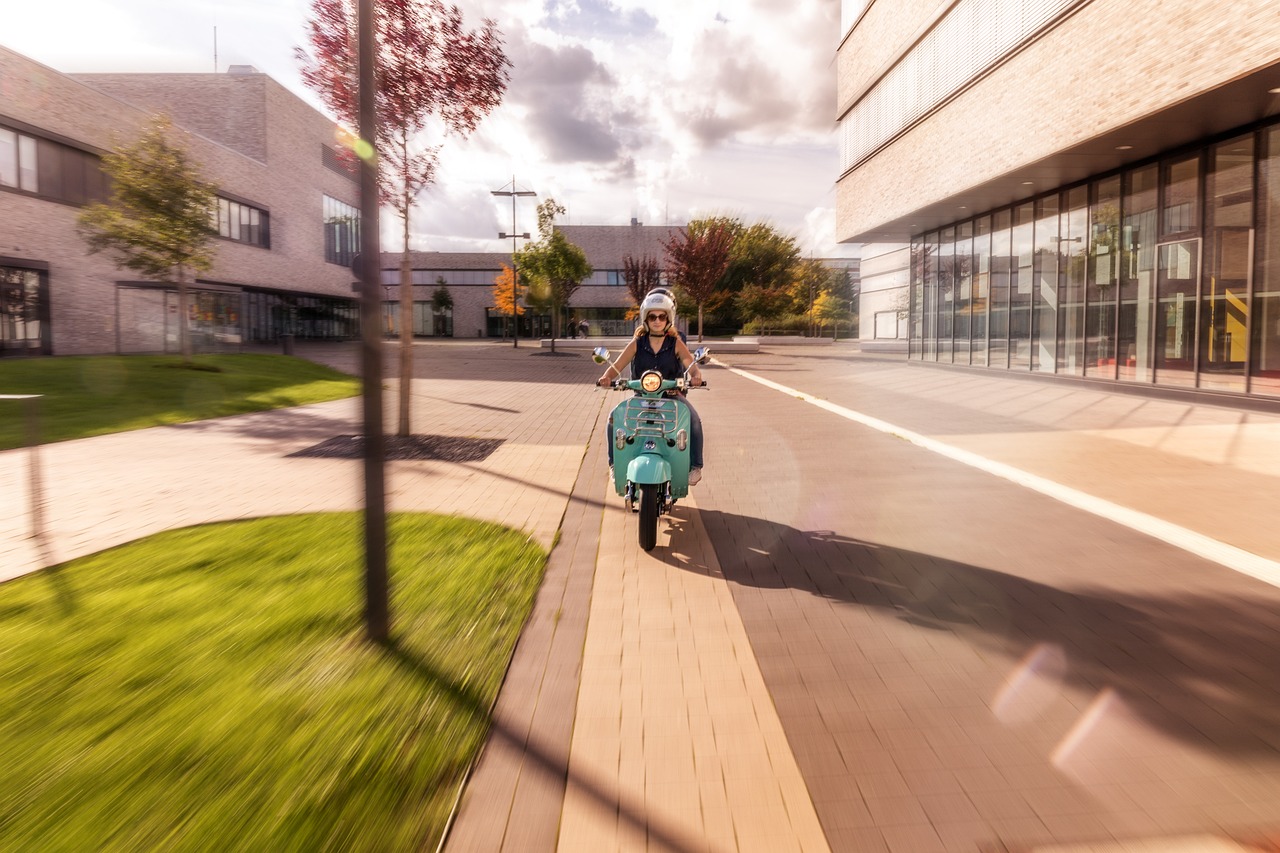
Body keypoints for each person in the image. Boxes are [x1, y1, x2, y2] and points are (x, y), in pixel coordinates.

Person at [597, 290, 705, 485]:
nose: (657, 320)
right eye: (652, 316)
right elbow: (617, 366)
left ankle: (696, 466)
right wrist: (606, 377)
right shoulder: (637, 343)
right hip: (641, 397)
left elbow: (692, 366)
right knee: (613, 418)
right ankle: (614, 464)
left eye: (662, 316)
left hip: (671, 396)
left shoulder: (675, 344)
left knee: (694, 419)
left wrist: (696, 377)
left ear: (668, 319)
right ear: (646, 318)